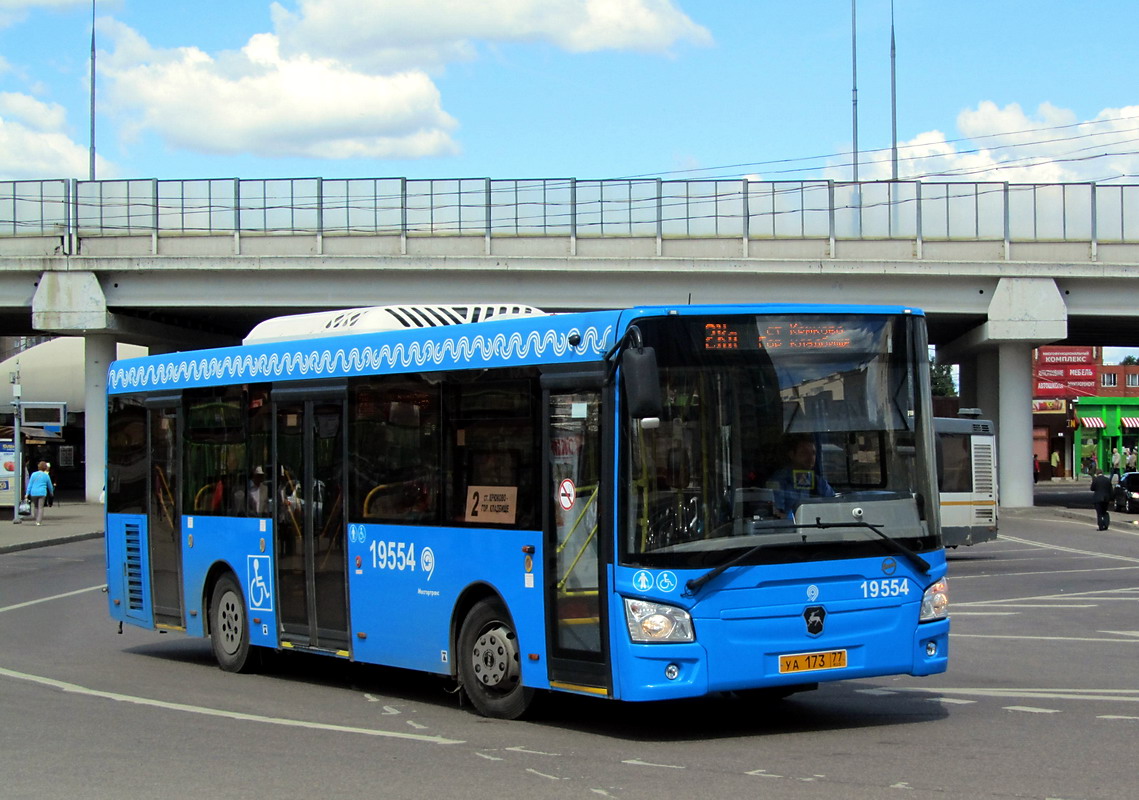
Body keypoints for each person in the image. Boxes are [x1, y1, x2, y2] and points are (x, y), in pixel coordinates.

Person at [766, 434, 836, 520]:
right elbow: (777, 514)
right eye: (805, 453)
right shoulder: (779, 481)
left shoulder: (818, 482)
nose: (811, 458)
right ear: (792, 455)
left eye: (813, 453)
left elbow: (833, 504)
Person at [24, 460, 54, 526]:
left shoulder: (33, 474)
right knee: (41, 507)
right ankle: (38, 521)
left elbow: (30, 484)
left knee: (35, 507)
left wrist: (27, 493)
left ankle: (36, 518)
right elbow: (50, 486)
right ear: (45, 468)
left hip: (33, 493)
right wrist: (51, 493)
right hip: (42, 493)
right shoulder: (46, 476)